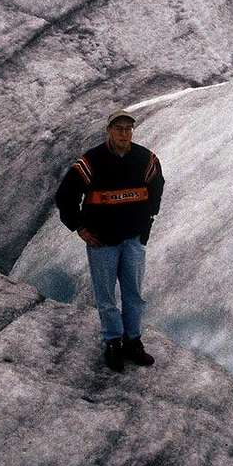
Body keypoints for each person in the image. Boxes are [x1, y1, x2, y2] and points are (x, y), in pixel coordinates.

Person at [55, 109, 165, 373]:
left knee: (134, 295)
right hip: (102, 241)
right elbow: (65, 195)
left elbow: (157, 186)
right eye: (119, 129)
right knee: (106, 297)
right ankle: (113, 342)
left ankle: (133, 341)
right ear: (109, 131)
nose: (124, 134)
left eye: (128, 129)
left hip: (132, 240)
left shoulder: (145, 159)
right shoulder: (91, 161)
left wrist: (147, 218)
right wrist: (79, 227)